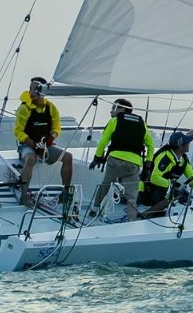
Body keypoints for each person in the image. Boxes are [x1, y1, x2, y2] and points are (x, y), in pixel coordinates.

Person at [87, 99, 155, 222]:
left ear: (122, 109)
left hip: (115, 161)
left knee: (105, 186)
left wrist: (97, 158)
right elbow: (150, 145)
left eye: (114, 108)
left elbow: (103, 142)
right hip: (133, 164)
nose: (111, 111)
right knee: (132, 196)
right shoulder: (142, 123)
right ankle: (131, 220)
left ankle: (94, 211)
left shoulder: (114, 121)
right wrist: (148, 165)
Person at [13, 76, 73, 208]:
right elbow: (18, 132)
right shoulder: (24, 108)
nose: (31, 92)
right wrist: (34, 145)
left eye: (35, 89)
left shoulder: (51, 108)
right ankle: (24, 196)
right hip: (27, 145)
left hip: (46, 145)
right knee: (31, 158)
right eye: (30, 88)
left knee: (68, 157)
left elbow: (56, 128)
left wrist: (51, 139)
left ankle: (65, 193)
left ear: (43, 91)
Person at [139, 132, 193, 216]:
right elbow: (154, 178)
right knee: (177, 195)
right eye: (187, 142)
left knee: (182, 194)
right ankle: (146, 214)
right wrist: (173, 186)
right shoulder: (166, 157)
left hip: (161, 189)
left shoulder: (182, 159)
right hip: (146, 191)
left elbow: (192, 176)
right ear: (180, 146)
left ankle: (156, 212)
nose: (189, 144)